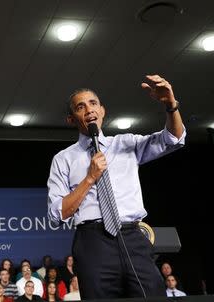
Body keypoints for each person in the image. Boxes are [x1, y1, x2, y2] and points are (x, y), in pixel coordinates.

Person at [47, 75, 186, 299]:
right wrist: (89, 179)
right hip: (92, 243)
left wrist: (171, 106)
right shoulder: (63, 160)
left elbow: (173, 139)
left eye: (93, 103)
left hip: (133, 236)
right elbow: (57, 213)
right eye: (80, 107)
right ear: (72, 119)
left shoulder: (126, 143)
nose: (89, 109)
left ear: (102, 111)